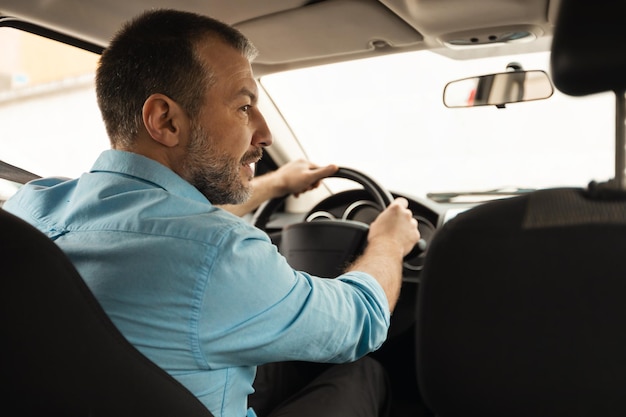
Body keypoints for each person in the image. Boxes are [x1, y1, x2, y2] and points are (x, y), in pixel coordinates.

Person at [3, 9, 420, 417]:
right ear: (165, 120)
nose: (265, 132)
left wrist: (274, 185)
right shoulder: (220, 252)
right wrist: (388, 242)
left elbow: (164, 215)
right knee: (363, 374)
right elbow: (358, 321)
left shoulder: (30, 209)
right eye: (243, 108)